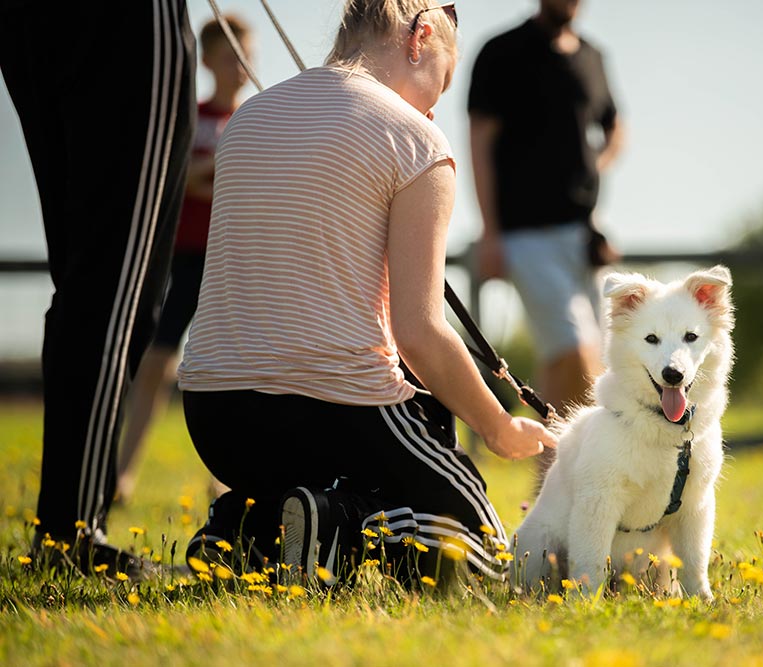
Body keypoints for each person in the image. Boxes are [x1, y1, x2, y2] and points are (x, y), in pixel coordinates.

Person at [177, 0, 557, 583]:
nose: (435, 105)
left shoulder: (247, 119)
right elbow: (420, 334)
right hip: (333, 409)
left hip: (215, 414)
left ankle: (246, 530)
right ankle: (338, 524)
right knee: (481, 552)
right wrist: (498, 427)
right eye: (442, 81)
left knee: (349, 473)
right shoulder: (415, 140)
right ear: (420, 36)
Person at [0, 1, 195, 576]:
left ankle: (65, 526)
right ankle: (73, 533)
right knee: (116, 290)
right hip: (125, 22)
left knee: (86, 282)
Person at [468, 0, 624, 474]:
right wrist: (490, 231)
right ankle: (596, 471)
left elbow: (615, 126)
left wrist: (590, 169)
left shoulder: (593, 57)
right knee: (572, 350)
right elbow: (479, 141)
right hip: (523, 236)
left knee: (577, 360)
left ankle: (550, 486)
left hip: (583, 238)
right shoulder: (502, 52)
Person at [116, 15, 254, 504]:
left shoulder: (255, 117)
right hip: (182, 258)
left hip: (232, 260)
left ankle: (228, 480)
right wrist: (215, 168)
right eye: (230, 56)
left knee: (236, 370)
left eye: (246, 57)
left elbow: (233, 183)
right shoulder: (189, 118)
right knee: (156, 363)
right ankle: (122, 474)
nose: (240, 67)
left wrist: (207, 173)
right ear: (209, 61)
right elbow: (180, 179)